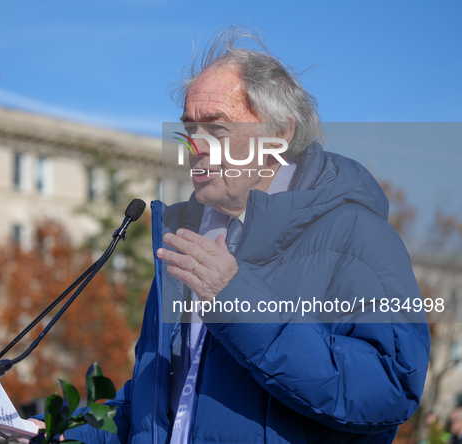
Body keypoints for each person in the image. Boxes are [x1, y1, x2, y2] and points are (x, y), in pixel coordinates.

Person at [43, 27, 430, 443]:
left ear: (279, 135)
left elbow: (391, 389)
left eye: (217, 129)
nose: (195, 146)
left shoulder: (358, 236)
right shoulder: (182, 239)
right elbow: (156, 405)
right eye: (189, 129)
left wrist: (238, 302)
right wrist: (63, 434)